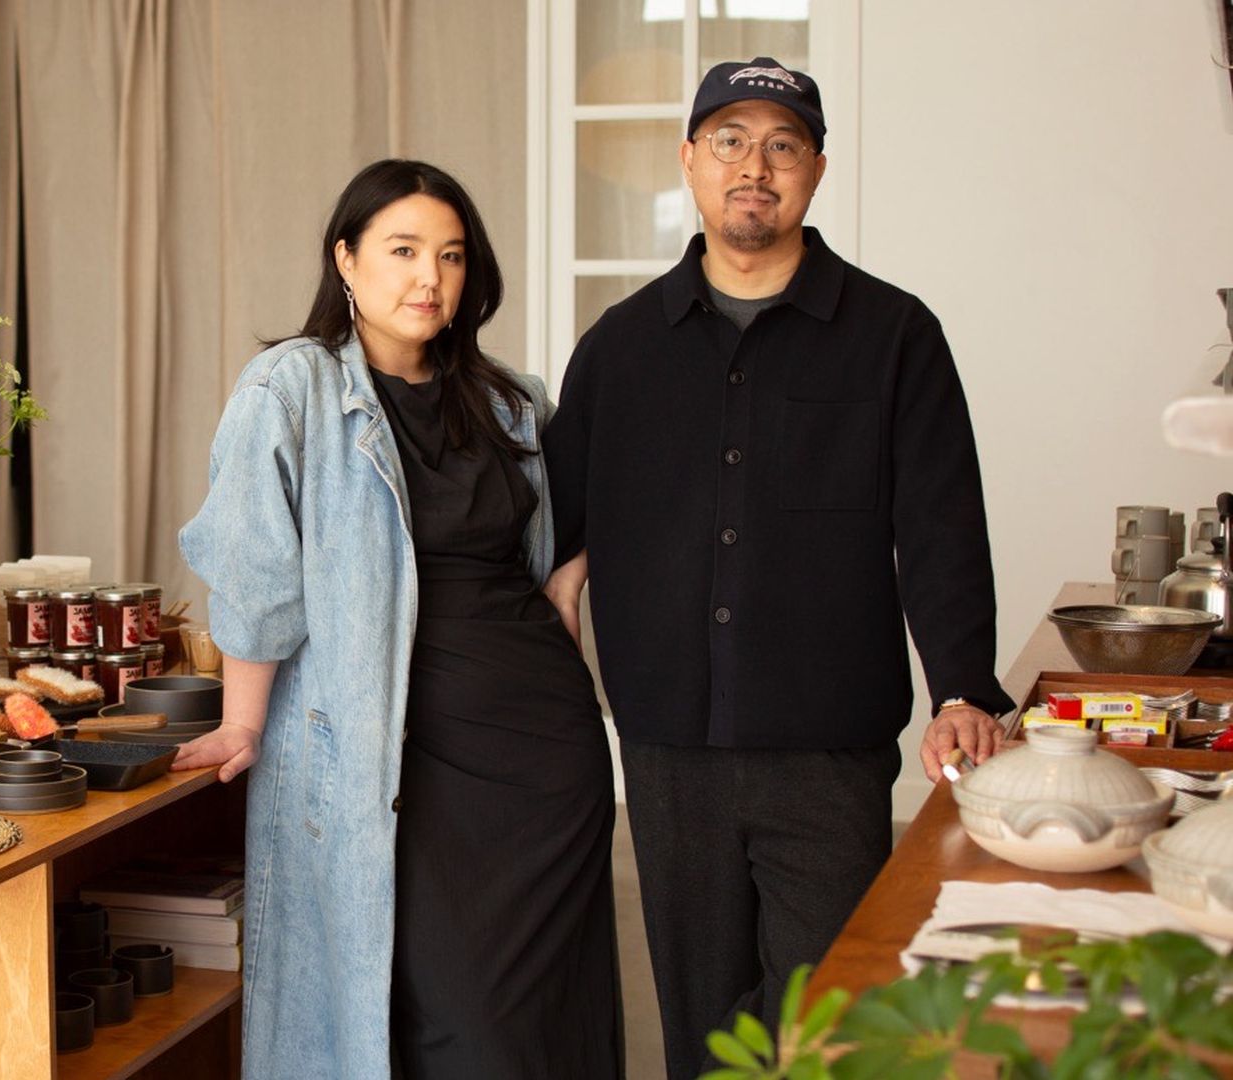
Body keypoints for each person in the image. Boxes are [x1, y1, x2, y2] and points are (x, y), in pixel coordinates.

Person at [541, 57, 1015, 1079]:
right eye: (730, 142)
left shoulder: (895, 337)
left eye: (783, 145)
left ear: (816, 170)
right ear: (690, 162)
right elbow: (555, 544)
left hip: (827, 754)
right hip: (669, 751)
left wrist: (964, 688)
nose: (755, 167)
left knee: (825, 1032)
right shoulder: (618, 351)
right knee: (705, 1036)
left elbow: (940, 528)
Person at [175, 158, 623, 1078]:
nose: (430, 278)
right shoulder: (290, 389)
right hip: (397, 765)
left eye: (452, 257)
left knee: (540, 1032)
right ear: (346, 259)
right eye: (405, 250)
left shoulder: (512, 401)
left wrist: (568, 595)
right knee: (445, 1022)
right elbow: (259, 575)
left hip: (544, 757)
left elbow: (576, 525)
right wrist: (243, 721)